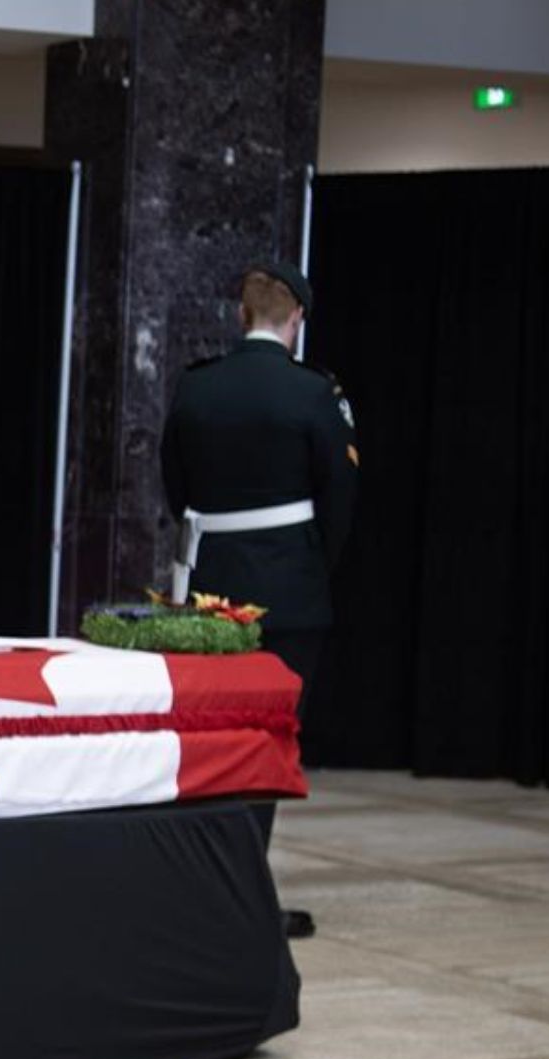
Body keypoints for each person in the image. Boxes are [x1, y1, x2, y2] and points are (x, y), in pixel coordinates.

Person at [160, 259, 358, 940]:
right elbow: (340, 495)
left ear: (242, 316)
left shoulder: (197, 387)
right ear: (294, 320)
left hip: (210, 588)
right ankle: (243, 901)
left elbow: (174, 489)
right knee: (266, 744)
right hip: (289, 595)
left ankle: (199, 890)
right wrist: (309, 570)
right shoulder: (313, 392)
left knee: (215, 740)